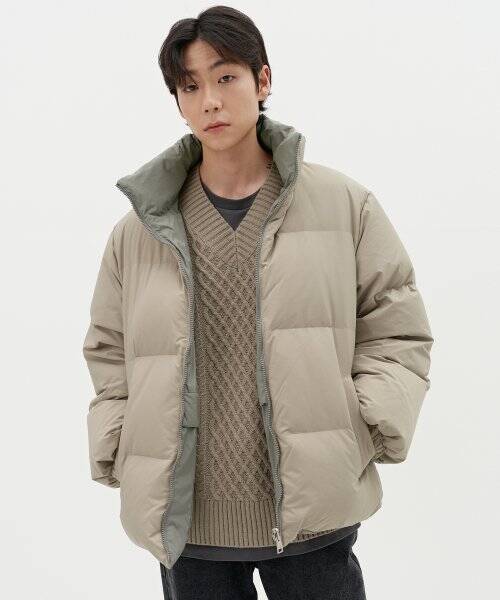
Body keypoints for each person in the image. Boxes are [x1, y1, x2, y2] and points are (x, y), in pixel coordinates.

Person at [82, 5, 433, 599]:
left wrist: (363, 425)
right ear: (178, 102)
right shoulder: (139, 231)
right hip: (188, 524)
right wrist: (120, 442)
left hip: (312, 520)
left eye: (226, 77)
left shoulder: (344, 206)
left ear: (262, 80)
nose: (210, 101)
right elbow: (109, 352)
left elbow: (397, 329)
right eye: (190, 87)